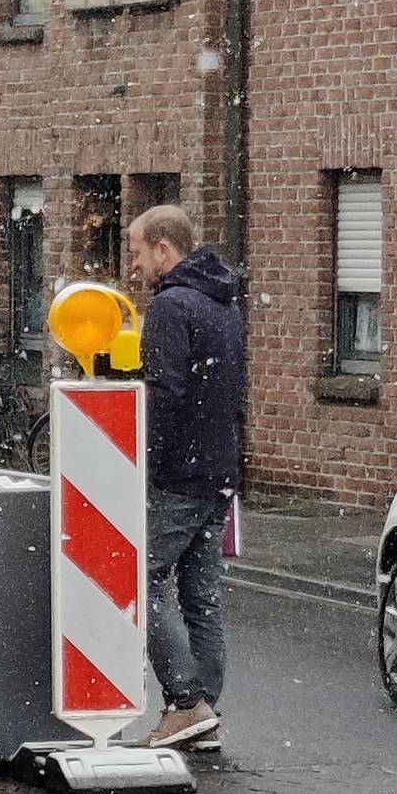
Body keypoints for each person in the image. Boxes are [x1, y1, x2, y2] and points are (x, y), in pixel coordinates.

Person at [123, 205, 246, 752]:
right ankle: (204, 713)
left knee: (139, 582)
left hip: (178, 475)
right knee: (201, 596)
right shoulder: (224, 303)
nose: (133, 265)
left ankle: (185, 702)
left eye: (137, 252)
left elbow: (164, 395)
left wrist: (141, 462)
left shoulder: (171, 306)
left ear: (163, 249)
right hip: (218, 469)